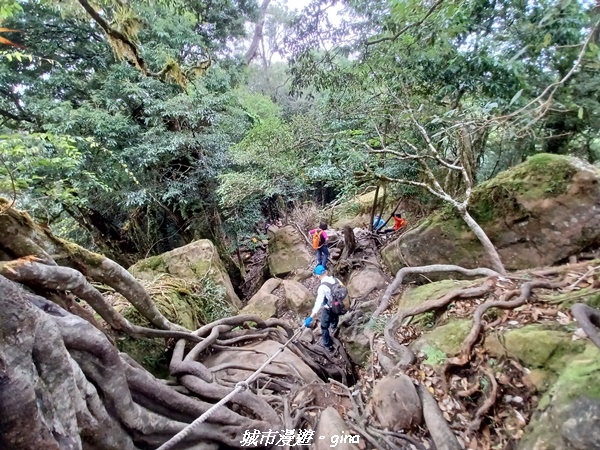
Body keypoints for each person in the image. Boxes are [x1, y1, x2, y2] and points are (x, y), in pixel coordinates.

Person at [304, 265, 344, 351]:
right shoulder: (336, 280)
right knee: (335, 316)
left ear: (318, 275)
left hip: (329, 309)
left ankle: (327, 344)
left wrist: (311, 317)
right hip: (338, 306)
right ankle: (334, 327)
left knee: (324, 326)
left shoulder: (322, 287)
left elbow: (318, 303)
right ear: (325, 272)